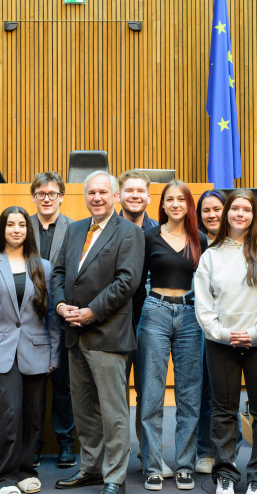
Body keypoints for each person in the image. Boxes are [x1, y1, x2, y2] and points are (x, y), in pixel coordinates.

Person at [52, 171, 145, 494]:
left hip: (107, 334)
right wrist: (61, 305)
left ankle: (115, 477)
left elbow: (127, 282)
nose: (97, 197)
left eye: (103, 192)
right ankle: (91, 467)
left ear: (115, 196)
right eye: (91, 192)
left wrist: (91, 312)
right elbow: (59, 271)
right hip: (73, 333)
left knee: (113, 411)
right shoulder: (75, 229)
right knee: (85, 408)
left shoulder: (130, 233)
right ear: (84, 196)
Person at [194, 189, 257, 494]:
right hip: (221, 344)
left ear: (254, 214)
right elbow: (204, 304)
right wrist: (222, 333)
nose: (240, 214)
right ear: (226, 214)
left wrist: (256, 332)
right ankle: (225, 475)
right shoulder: (212, 254)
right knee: (223, 411)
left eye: (246, 209)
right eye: (234, 208)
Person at [0, 206, 61, 494]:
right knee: (7, 414)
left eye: (21, 225)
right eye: (10, 224)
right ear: (2, 229)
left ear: (28, 229)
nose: (16, 230)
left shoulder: (43, 266)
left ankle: (25, 471)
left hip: (37, 350)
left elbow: (50, 316)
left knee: (33, 416)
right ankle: (2, 478)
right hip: (0, 351)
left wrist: (54, 355)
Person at [137, 181, 207, 492]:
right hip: (155, 311)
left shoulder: (200, 239)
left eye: (181, 199)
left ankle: (184, 465)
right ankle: (152, 465)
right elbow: (137, 283)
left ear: (188, 205)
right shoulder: (147, 236)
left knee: (189, 394)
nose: (176, 204)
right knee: (151, 393)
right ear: (162, 205)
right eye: (170, 199)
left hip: (191, 314)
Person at [117, 169, 169, 477]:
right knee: (116, 392)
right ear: (119, 196)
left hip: (152, 323)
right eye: (129, 190)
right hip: (117, 324)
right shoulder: (107, 229)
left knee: (151, 392)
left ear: (149, 197)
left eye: (140, 191)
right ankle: (117, 456)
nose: (135, 195)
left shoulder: (162, 233)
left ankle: (151, 454)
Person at [29, 172, 77, 469]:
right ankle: (32, 444)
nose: (46, 199)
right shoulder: (21, 226)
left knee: (63, 384)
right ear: (33, 197)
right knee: (33, 384)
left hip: (62, 316)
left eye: (52, 193)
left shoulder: (75, 229)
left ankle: (66, 443)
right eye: (40, 193)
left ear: (61, 196)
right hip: (28, 317)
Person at [193, 189, 227, 474]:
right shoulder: (195, 244)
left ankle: (227, 448)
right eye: (206, 210)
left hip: (233, 325)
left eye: (217, 209)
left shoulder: (238, 243)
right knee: (205, 388)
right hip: (200, 324)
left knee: (226, 390)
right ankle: (205, 450)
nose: (212, 215)